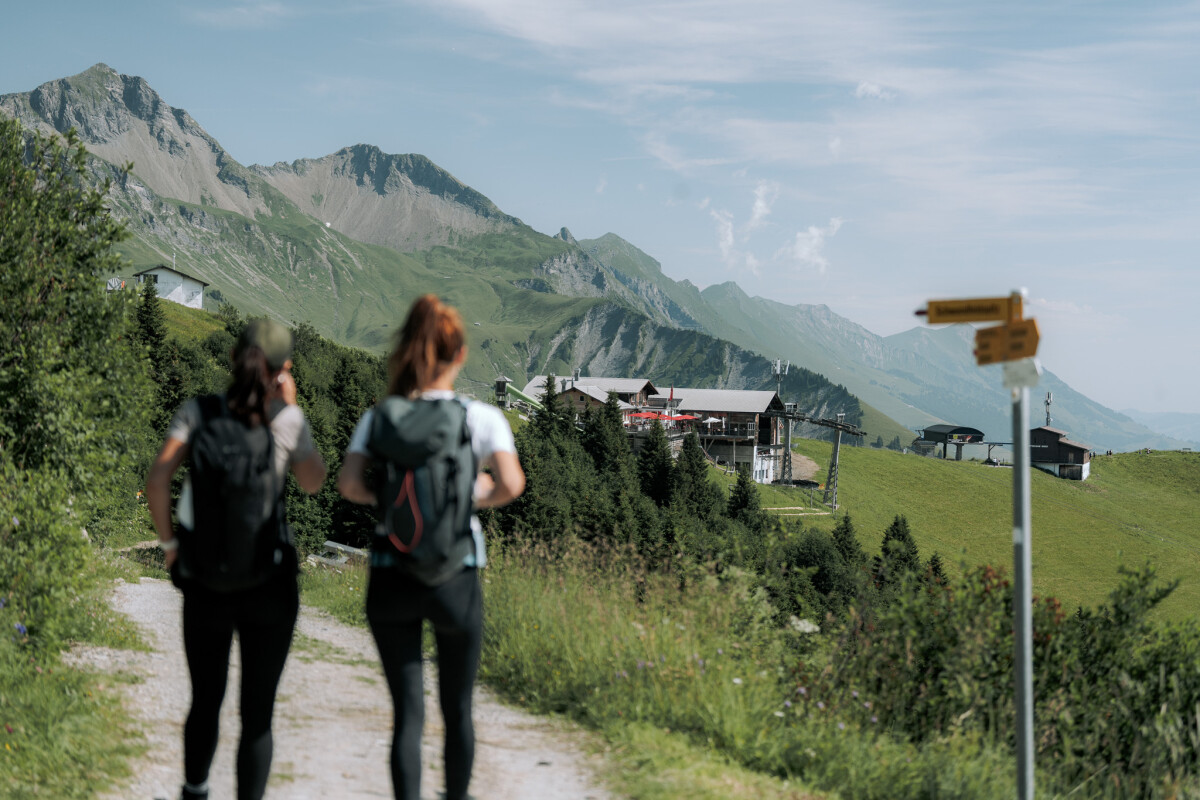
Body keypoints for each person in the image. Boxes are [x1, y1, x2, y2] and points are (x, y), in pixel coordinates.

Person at [337, 294, 525, 800]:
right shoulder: (480, 417)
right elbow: (511, 484)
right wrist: (467, 494)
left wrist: (392, 499)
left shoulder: (381, 417)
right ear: (459, 355)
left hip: (390, 572)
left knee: (408, 716)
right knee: (458, 710)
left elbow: (350, 485)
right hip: (456, 574)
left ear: (406, 350)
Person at [146, 318, 327, 800]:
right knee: (257, 715)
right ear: (283, 370)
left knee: (205, 699)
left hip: (205, 580)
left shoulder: (199, 412)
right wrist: (292, 408)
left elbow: (158, 480)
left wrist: (171, 548)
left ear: (233, 358)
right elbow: (313, 481)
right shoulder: (285, 420)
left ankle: (195, 791)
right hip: (270, 584)